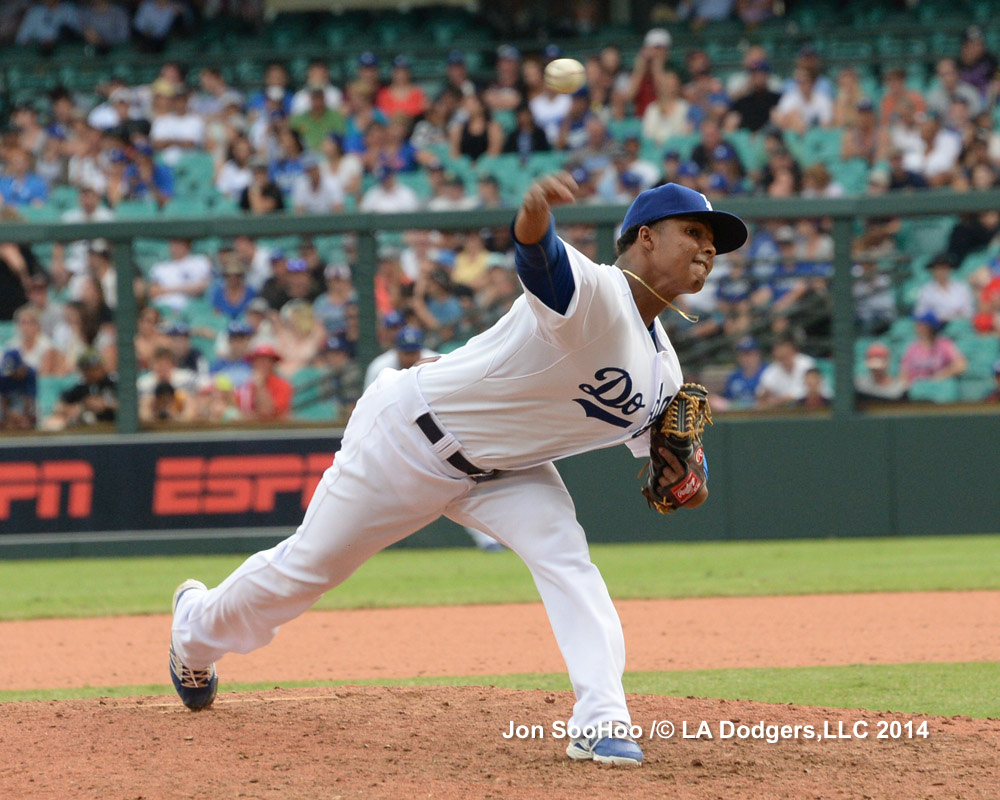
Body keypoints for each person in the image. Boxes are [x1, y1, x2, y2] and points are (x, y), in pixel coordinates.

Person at [167, 174, 748, 767]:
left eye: (716, 242)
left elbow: (675, 480)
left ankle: (602, 719)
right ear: (646, 237)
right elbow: (539, 258)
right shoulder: (596, 292)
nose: (708, 248)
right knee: (306, 569)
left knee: (566, 557)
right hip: (408, 436)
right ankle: (193, 630)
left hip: (509, 470)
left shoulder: (666, 373)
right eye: (695, 231)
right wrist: (534, 217)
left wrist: (683, 480)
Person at [899, 312, 967, 386]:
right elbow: (904, 373)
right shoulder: (912, 347)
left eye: (921, 324)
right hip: (915, 389)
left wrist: (939, 376)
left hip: (937, 388)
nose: (917, 326)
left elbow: (961, 365)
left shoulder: (944, 344)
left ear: (929, 327)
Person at [0, 348, 37, 430]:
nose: (12, 374)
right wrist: (7, 415)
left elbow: (30, 400)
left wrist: (24, 417)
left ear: (20, 367)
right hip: (7, 406)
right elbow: (3, 398)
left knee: (25, 423)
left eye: (14, 371)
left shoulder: (30, 374)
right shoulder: (3, 376)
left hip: (21, 405)